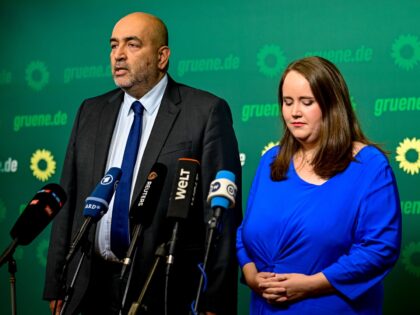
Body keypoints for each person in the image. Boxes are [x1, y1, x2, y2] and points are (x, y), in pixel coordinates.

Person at [43, 12, 242, 315]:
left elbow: (221, 219)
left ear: (162, 57)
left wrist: (214, 299)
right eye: (113, 46)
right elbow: (67, 203)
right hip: (87, 285)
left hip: (163, 288)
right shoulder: (90, 112)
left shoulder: (204, 112)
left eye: (132, 45)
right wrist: (57, 282)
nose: (118, 56)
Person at [236, 56, 401, 314]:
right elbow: (245, 232)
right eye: (287, 102)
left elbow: (380, 248)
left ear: (332, 104)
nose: (294, 112)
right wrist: (251, 275)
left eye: (307, 102)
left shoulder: (369, 165)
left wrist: (311, 285)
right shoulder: (272, 159)